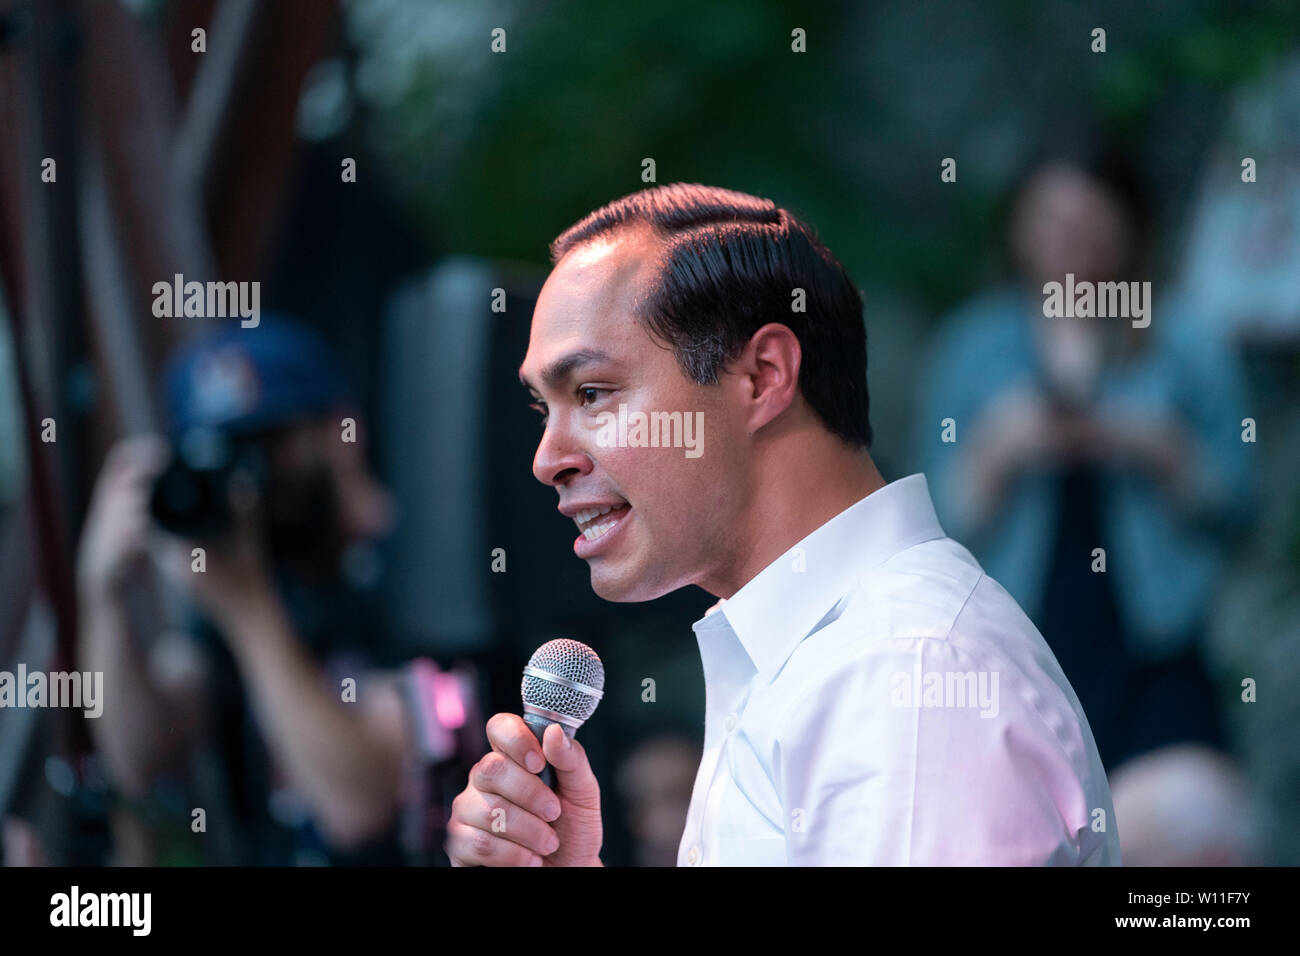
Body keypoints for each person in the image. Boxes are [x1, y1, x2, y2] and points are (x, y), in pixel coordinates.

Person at [445, 182, 1120, 866]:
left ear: (764, 376)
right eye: (544, 410)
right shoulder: (828, 658)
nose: (546, 460)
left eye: (592, 393)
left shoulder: (901, 677)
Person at [77, 316, 479, 865]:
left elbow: (359, 807)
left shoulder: (423, 571)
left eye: (269, 446)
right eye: (225, 456)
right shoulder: (260, 581)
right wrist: (104, 595)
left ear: (343, 431)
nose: (254, 480)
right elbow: (141, 759)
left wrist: (248, 611)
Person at [913, 144, 1254, 773]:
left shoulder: (1184, 340)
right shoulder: (974, 347)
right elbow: (928, 531)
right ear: (1016, 230)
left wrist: (1160, 449)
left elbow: (1237, 503)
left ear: (1128, 228)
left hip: (1158, 640)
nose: (1067, 242)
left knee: (1182, 823)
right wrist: (998, 451)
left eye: (1089, 224)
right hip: (1011, 645)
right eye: (1048, 221)